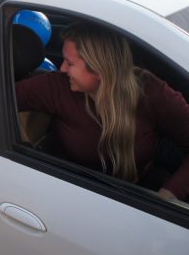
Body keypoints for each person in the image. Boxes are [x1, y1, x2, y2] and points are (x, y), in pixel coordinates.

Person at [16, 22, 189, 201]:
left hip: (138, 197)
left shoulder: (152, 93)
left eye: (70, 63)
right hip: (71, 193)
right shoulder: (57, 86)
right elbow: (0, 96)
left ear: (99, 69)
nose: (62, 68)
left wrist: (169, 194)